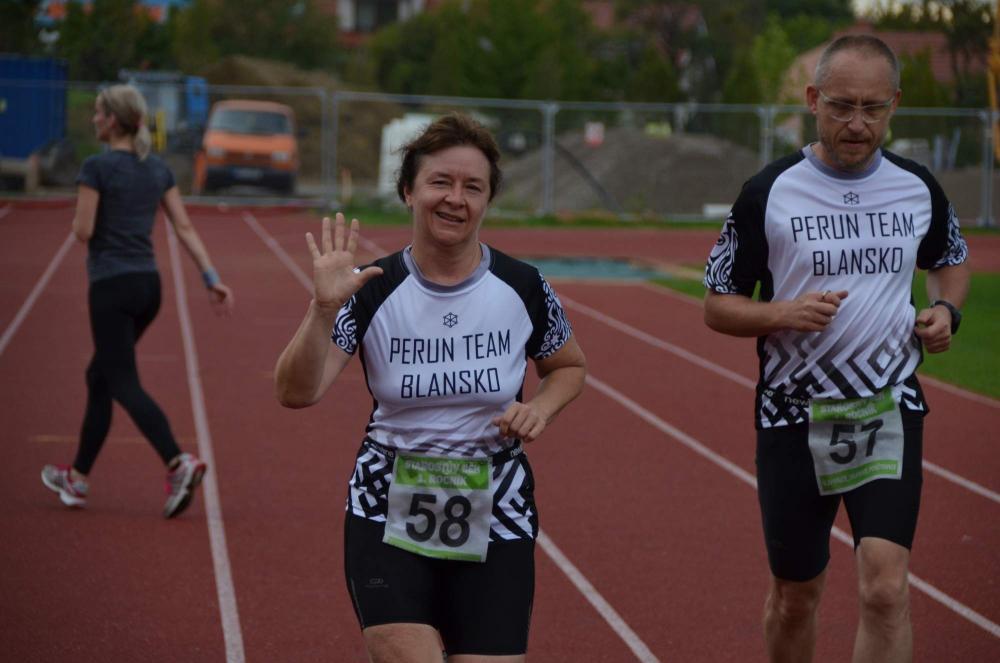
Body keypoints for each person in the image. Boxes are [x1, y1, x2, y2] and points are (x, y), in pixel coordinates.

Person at [274, 113, 586, 662]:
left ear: (488, 200)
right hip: (387, 504)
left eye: (473, 187)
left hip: (497, 507)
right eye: (440, 182)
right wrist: (322, 309)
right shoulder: (371, 289)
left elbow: (568, 367)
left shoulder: (523, 286)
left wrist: (540, 408)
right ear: (408, 191)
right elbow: (296, 392)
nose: (455, 199)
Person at [702, 35, 969, 663]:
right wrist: (782, 312)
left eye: (872, 108)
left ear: (894, 104)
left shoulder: (916, 187)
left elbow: (950, 260)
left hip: (887, 405)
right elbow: (717, 304)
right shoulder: (769, 191)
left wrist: (945, 311)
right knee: (797, 596)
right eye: (842, 105)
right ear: (812, 100)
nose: (857, 123)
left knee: (885, 587)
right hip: (795, 413)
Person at [41, 84, 234, 519]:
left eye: (98, 113)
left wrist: (82, 212)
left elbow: (83, 231)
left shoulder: (96, 168)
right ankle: (77, 478)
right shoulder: (157, 169)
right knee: (100, 377)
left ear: (112, 120)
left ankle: (177, 462)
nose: (93, 119)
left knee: (122, 381)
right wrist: (211, 278)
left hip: (111, 287)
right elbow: (184, 227)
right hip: (149, 287)